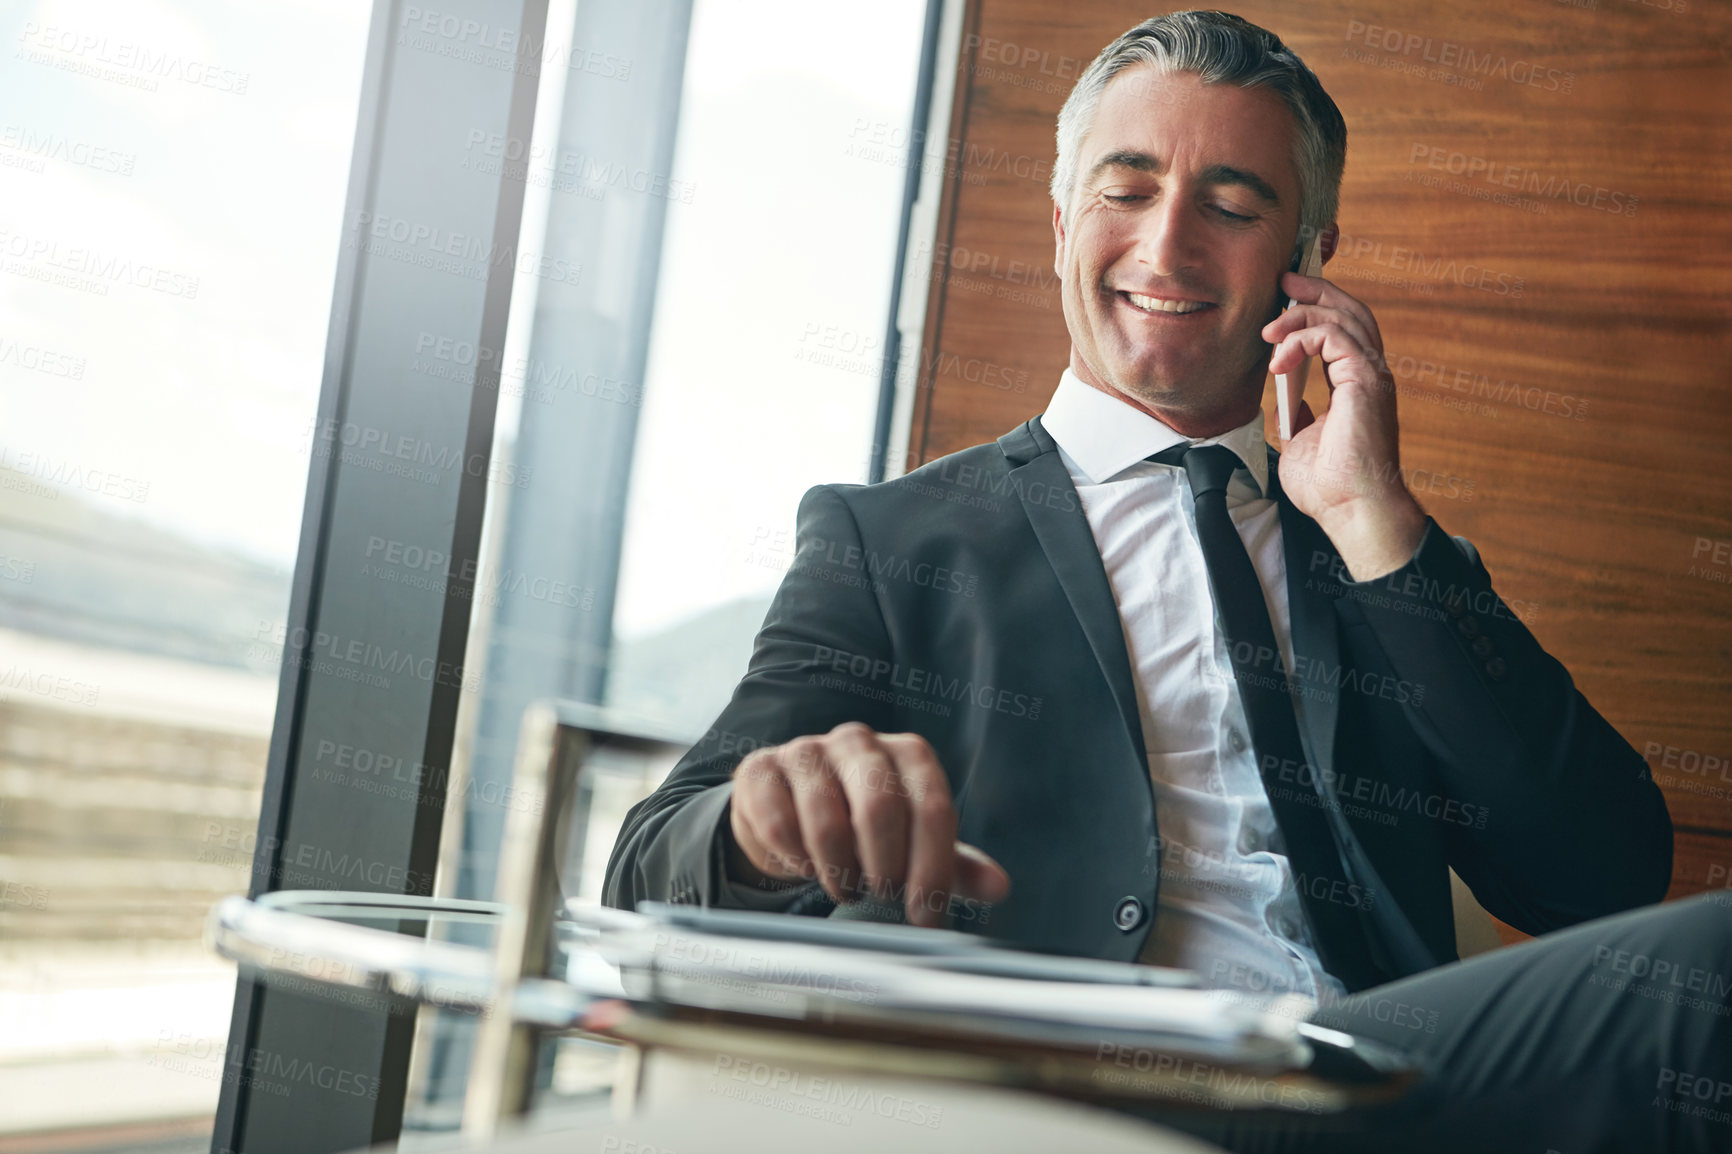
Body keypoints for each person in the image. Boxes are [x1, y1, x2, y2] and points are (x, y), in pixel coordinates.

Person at [605, 12, 1727, 1151]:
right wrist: (757, 825)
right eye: (1125, 190)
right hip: (1067, 1093)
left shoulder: (1382, 556)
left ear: (1311, 260)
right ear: (1058, 225)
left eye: (1232, 207)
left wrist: (1375, 520)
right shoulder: (891, 540)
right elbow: (649, 869)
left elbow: (1603, 882)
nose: (1168, 247)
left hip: (1370, 1084)